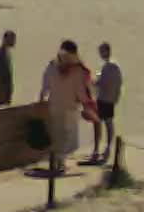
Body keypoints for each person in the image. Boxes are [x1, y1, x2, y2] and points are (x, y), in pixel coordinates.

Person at [38, 40, 96, 175]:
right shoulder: (77, 70)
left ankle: (59, 162)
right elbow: (80, 91)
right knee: (69, 138)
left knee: (58, 137)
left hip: (55, 106)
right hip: (69, 107)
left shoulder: (52, 67)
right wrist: (87, 104)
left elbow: (45, 87)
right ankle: (60, 162)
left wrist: (41, 101)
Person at [89, 43, 123, 164]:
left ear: (106, 51)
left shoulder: (109, 66)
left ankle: (98, 150)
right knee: (108, 124)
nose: (100, 54)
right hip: (109, 99)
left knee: (100, 124)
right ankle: (105, 149)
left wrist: (93, 82)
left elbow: (102, 82)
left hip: (104, 99)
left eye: (101, 51)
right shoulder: (113, 65)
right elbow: (119, 83)